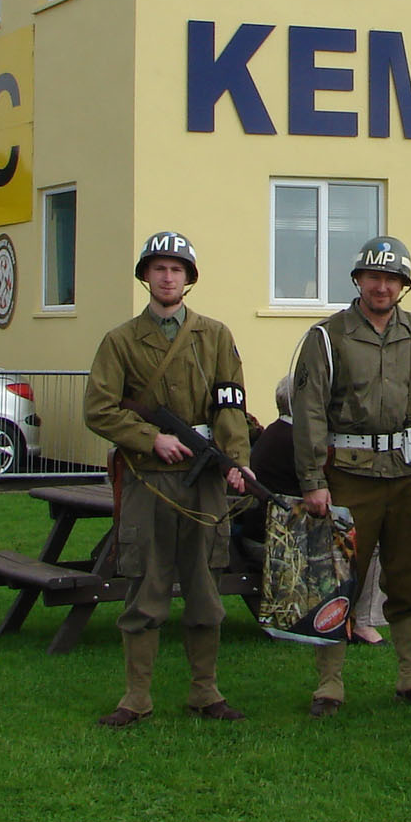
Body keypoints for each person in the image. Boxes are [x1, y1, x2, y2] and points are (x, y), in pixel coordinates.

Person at [82, 231, 253, 728]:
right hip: (149, 478)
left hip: (203, 479)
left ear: (189, 278)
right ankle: (136, 697)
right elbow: (99, 408)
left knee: (205, 585)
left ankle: (206, 690)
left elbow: (230, 404)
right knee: (145, 586)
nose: (167, 277)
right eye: (158, 268)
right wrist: (147, 438)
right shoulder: (119, 341)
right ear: (145, 276)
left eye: (177, 269)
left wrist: (236, 460)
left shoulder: (215, 335)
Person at [292, 235, 411, 715]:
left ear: (404, 285)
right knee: (339, 577)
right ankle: (330, 684)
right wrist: (313, 481)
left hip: (409, 474)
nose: (382, 286)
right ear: (358, 280)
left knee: (408, 575)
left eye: (391, 278)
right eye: (373, 277)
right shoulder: (328, 337)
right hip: (349, 477)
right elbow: (309, 414)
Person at [249, 373, 385, 644]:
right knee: (372, 542)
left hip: (260, 531)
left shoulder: (275, 432)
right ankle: (362, 623)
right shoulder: (301, 442)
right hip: (279, 540)